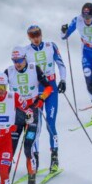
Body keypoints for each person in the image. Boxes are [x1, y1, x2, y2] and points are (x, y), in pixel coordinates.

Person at [4, 47, 53, 184]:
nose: (17, 64)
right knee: (9, 149)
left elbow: (49, 87)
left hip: (32, 111)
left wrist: (41, 98)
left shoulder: (34, 68)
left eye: (19, 60)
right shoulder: (8, 72)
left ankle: (32, 182)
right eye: (14, 61)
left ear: (25, 58)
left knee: (28, 147)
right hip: (17, 114)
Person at [23, 25, 66, 172]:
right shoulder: (26, 52)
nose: (36, 38)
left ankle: (54, 157)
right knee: (36, 127)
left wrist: (63, 80)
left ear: (41, 34)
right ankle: (35, 158)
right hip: (37, 91)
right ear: (29, 37)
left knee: (51, 123)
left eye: (38, 34)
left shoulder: (50, 46)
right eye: (32, 35)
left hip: (51, 88)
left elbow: (61, 64)